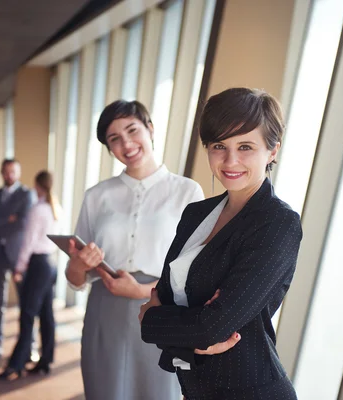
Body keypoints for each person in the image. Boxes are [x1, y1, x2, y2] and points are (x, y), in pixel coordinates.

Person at [65, 100, 236, 400]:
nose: (126, 144)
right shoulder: (97, 196)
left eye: (132, 131)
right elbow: (75, 278)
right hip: (105, 312)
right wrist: (80, 264)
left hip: (163, 309)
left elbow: (195, 271)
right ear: (108, 148)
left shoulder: (187, 192)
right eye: (114, 139)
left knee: (158, 392)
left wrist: (142, 292)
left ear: (150, 129)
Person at [139, 88, 303, 399]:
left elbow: (210, 327)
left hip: (249, 389)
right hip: (196, 387)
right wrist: (193, 327)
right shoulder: (196, 213)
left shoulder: (277, 223)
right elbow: (169, 298)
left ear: (272, 151)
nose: (230, 160)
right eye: (219, 146)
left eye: (245, 146)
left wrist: (151, 319)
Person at [0, 170, 60, 380]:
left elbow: (28, 242)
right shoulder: (56, 208)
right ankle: (45, 361)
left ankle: (16, 365)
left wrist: (19, 268)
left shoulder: (37, 209)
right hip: (51, 264)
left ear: (37, 186)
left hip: (38, 265)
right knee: (47, 315)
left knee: (28, 315)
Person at [0, 159, 35, 362]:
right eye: (6, 172)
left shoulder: (27, 195)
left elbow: (22, 223)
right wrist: (8, 218)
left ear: (18, 173)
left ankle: (29, 348)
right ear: (1, 173)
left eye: (13, 172)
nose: (9, 175)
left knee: (25, 301)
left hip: (17, 255)